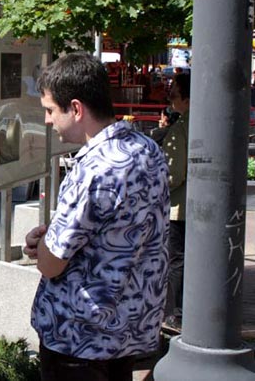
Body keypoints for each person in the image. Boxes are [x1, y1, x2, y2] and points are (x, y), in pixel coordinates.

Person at [24, 52, 170, 381]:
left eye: (50, 110)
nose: (47, 120)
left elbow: (51, 263)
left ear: (76, 109)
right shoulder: (147, 149)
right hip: (128, 331)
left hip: (79, 337)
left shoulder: (92, 169)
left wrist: (42, 244)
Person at [161, 73, 190, 330]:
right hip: (198, 207)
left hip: (179, 208)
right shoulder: (202, 124)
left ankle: (177, 314)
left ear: (187, 99)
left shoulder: (180, 129)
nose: (170, 99)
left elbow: (174, 174)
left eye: (173, 95)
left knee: (176, 261)